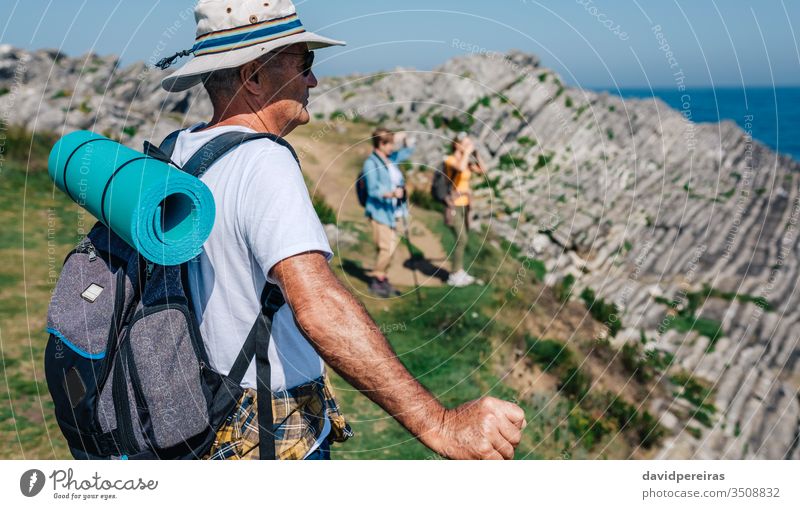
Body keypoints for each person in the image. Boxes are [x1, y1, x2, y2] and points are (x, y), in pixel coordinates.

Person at [158, 0, 525, 460]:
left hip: (198, 406)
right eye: (304, 63)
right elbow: (318, 306)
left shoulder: (182, 150)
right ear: (253, 77)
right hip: (267, 427)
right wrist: (441, 424)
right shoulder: (262, 161)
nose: (313, 79)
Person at [362, 128, 414, 298]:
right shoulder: (371, 163)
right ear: (381, 143)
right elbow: (372, 190)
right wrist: (392, 193)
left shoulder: (390, 159)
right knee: (386, 248)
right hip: (380, 212)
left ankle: (382, 278)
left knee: (391, 247)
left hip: (395, 211)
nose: (393, 146)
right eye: (390, 143)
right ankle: (377, 280)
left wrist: (403, 138)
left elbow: (408, 151)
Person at [443, 132, 487, 287]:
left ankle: (459, 270)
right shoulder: (449, 160)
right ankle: (454, 274)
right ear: (456, 144)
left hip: (465, 205)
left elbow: (483, 169)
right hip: (453, 204)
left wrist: (476, 152)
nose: (467, 146)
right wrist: (467, 152)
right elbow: (460, 168)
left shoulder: (467, 161)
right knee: (461, 239)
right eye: (465, 143)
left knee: (463, 238)